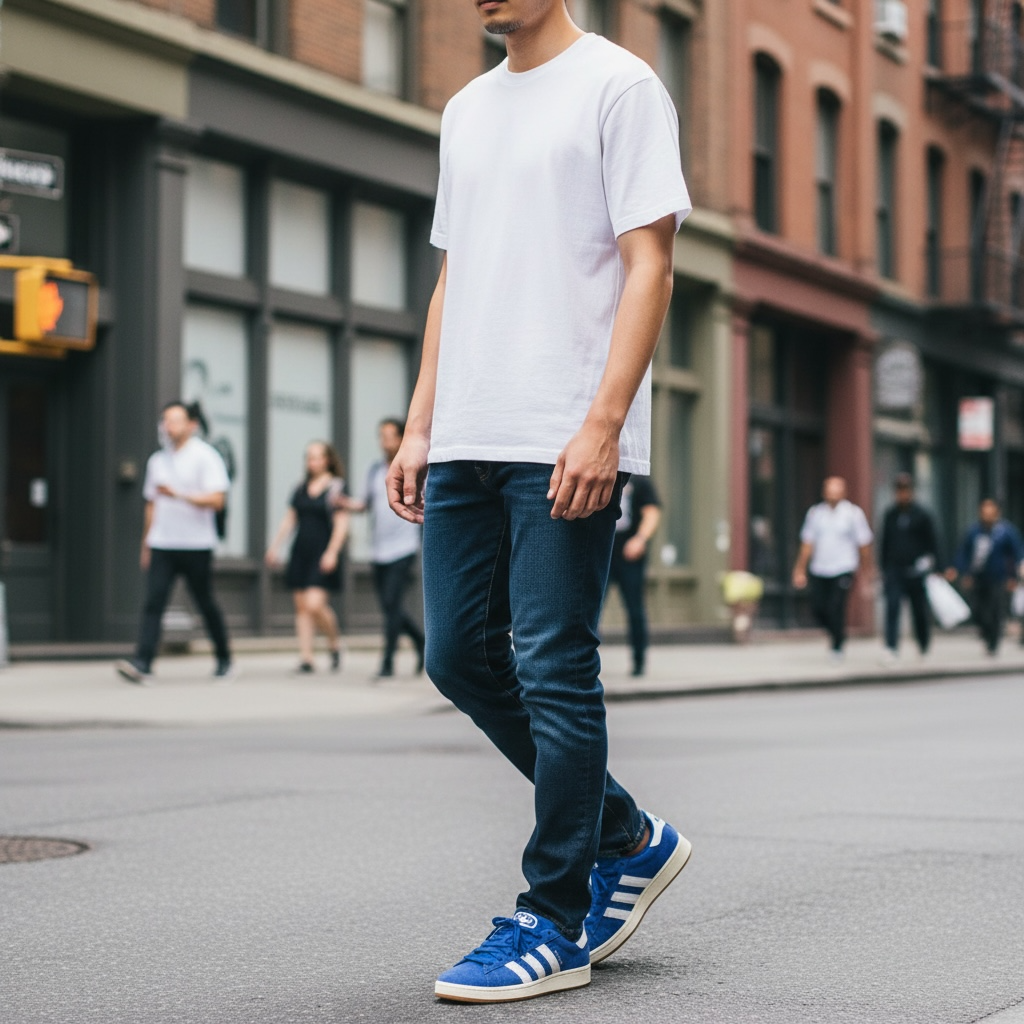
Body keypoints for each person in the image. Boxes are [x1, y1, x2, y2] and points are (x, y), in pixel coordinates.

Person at [385, 0, 693, 1003]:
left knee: (554, 663)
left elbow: (651, 261)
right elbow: (454, 278)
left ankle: (554, 916)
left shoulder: (620, 86)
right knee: (457, 656)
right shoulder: (466, 108)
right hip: (467, 430)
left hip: (563, 429)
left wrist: (605, 423)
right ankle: (627, 836)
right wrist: (421, 423)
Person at [115, 401, 233, 684]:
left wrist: (179, 495)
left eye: (175, 420)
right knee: (153, 603)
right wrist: (146, 543)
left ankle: (224, 658)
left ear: (191, 425)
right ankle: (143, 664)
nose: (168, 426)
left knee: (205, 603)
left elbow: (218, 500)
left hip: (196, 545)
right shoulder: (157, 461)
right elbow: (151, 504)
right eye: (165, 420)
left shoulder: (206, 456)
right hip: (163, 543)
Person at [343, 419, 425, 678]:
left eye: (389, 436)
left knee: (392, 604)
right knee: (390, 608)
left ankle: (387, 662)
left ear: (401, 438)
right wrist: (343, 503)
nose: (384, 441)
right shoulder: (374, 470)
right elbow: (363, 504)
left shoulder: (413, 468)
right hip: (378, 550)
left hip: (404, 548)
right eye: (381, 436)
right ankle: (420, 640)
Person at [265, 442, 349, 673]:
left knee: (315, 604)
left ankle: (334, 642)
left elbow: (341, 524)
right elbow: (290, 519)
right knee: (302, 607)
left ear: (327, 460)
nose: (312, 462)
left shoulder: (336, 487)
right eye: (309, 457)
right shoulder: (300, 488)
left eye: (317, 457)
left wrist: (332, 552)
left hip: (323, 551)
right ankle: (306, 657)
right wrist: (275, 546)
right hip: (300, 551)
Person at [791, 476, 874, 662]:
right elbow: (807, 544)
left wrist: (867, 571)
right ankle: (837, 633)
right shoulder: (816, 513)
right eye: (829, 490)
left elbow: (864, 545)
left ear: (843, 492)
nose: (832, 494)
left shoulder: (853, 514)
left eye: (836, 490)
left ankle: (837, 645)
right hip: (820, 568)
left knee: (836, 607)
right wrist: (799, 569)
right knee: (818, 608)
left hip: (843, 567)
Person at [947, 498, 1024, 655]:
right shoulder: (974, 531)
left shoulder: (1005, 531)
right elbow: (964, 553)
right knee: (979, 609)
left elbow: (1016, 552)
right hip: (979, 577)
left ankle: (993, 642)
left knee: (995, 609)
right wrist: (958, 570)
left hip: (998, 577)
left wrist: (1015, 574)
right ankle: (985, 632)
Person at [878, 472, 940, 661]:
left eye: (906, 490)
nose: (902, 495)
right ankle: (891, 646)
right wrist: (883, 568)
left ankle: (923, 643)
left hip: (916, 570)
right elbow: (884, 542)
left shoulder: (922, 515)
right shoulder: (890, 515)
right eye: (899, 491)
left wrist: (937, 566)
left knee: (919, 610)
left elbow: (933, 542)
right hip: (895, 570)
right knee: (892, 607)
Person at [606, 475, 661, 676]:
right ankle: (584, 662)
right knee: (590, 608)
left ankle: (639, 661)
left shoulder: (639, 481)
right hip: (602, 550)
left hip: (630, 555)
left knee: (635, 608)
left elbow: (652, 512)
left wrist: (640, 539)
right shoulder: (602, 474)